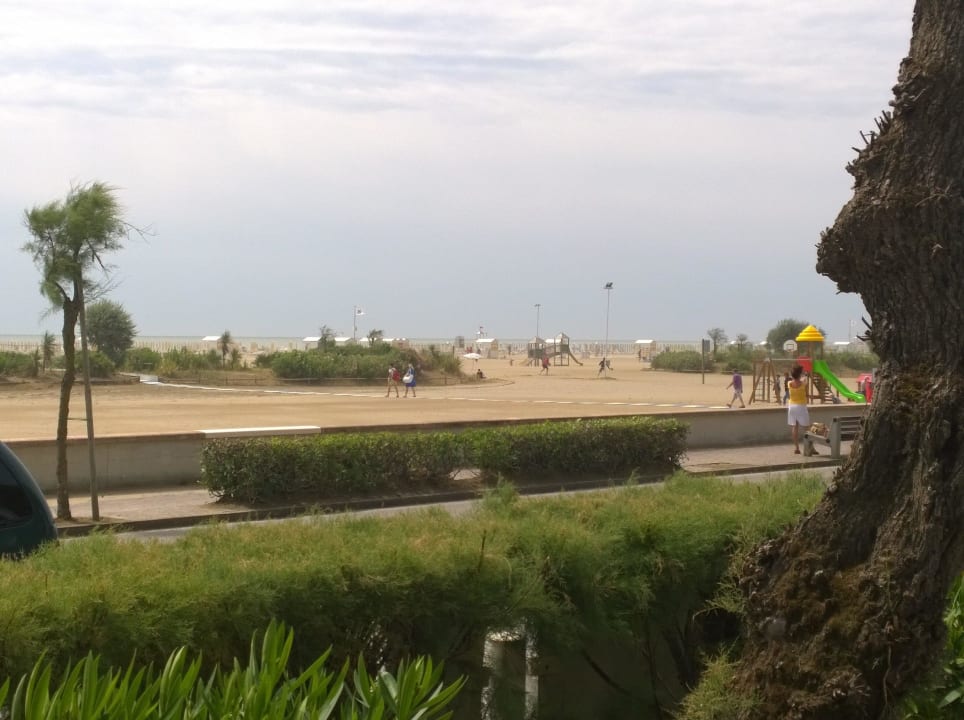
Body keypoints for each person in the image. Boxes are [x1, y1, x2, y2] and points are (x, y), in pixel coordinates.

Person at [787, 363, 812, 454]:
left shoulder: (789, 383)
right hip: (801, 406)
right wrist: (805, 375)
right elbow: (804, 381)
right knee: (807, 428)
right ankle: (810, 447)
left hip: (792, 406)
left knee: (795, 427)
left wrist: (801, 375)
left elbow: (797, 380)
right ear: (799, 374)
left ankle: (796, 448)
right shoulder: (803, 383)